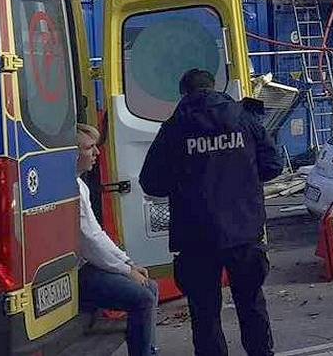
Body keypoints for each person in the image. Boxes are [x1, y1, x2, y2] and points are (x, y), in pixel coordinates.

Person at [140, 69, 283, 356]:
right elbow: (273, 165)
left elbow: (151, 182)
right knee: (251, 303)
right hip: (243, 231)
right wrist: (241, 181)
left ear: (184, 93)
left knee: (204, 314)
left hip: (196, 237)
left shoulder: (175, 127)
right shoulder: (244, 118)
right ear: (214, 87)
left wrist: (185, 182)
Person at [75, 123, 159, 356]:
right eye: (89, 148)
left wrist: (128, 263)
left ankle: (149, 350)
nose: (97, 153)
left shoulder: (80, 184)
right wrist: (125, 270)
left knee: (149, 285)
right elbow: (89, 241)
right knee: (142, 298)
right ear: (73, 153)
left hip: (87, 266)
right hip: (78, 273)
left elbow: (97, 234)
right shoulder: (72, 188)